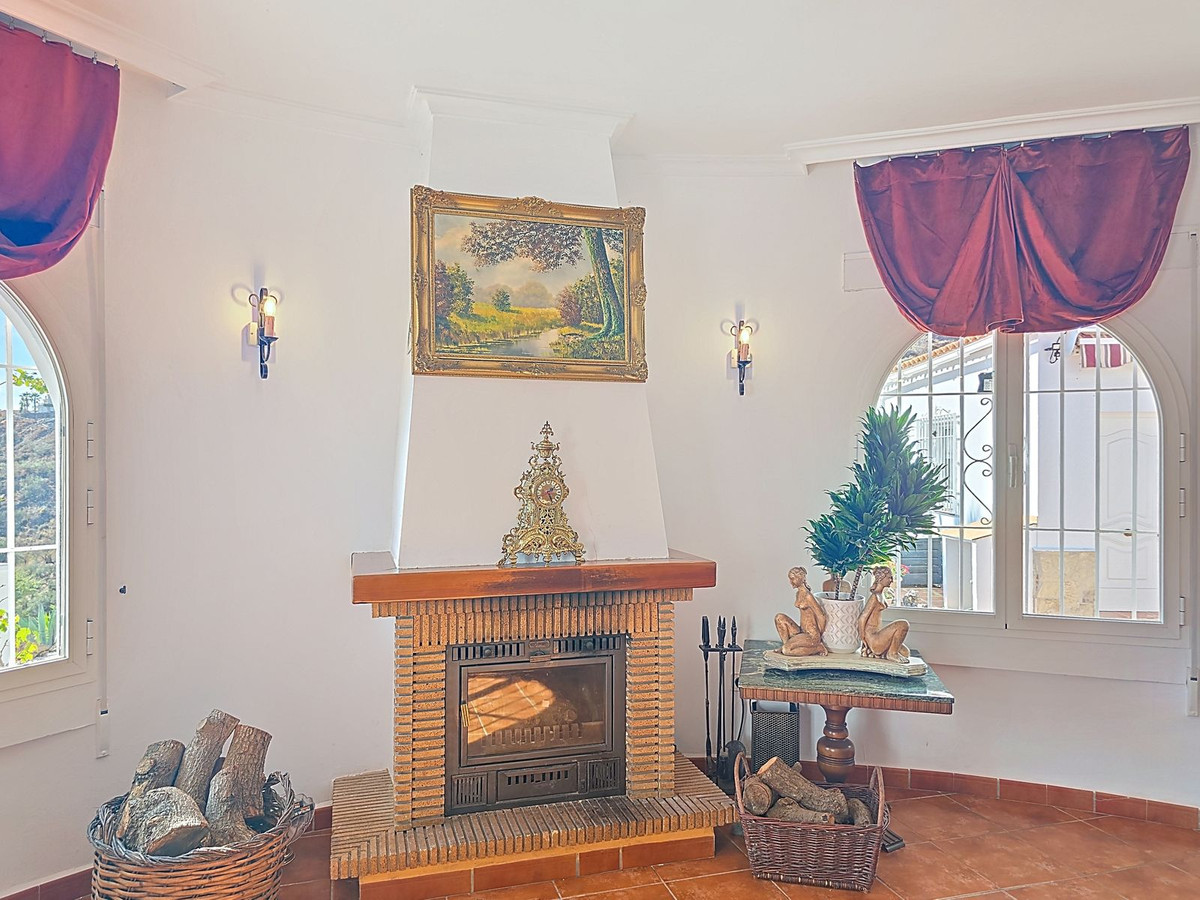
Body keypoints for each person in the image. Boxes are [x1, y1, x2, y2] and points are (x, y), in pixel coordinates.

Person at [858, 566, 911, 663]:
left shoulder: (880, 595)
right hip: (873, 639)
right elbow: (862, 618)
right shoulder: (874, 597)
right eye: (889, 578)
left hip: (877, 635)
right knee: (903, 624)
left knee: (905, 652)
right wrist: (863, 639)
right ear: (881, 579)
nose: (891, 580)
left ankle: (888, 653)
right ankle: (891, 653)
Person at [775, 566, 829, 657]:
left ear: (801, 578)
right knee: (779, 618)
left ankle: (817, 647)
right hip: (801, 630)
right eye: (790, 579)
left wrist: (818, 635)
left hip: (811, 634)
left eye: (792, 579)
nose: (791, 582)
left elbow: (821, 616)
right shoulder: (798, 593)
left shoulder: (808, 596)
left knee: (787, 650)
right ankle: (786, 644)